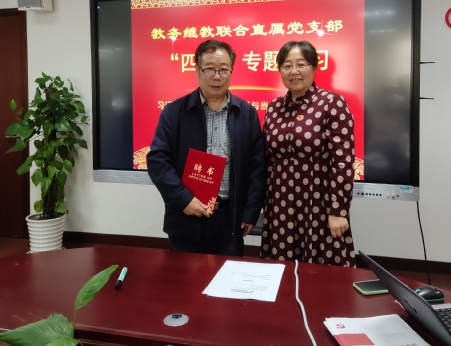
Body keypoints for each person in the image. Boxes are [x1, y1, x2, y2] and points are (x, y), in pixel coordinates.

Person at [147, 39, 265, 256]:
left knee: (228, 275)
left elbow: (257, 168)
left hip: (230, 218)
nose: (217, 76)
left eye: (224, 69)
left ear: (231, 71)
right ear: (197, 70)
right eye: (209, 69)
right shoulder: (174, 112)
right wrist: (183, 199)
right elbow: (157, 161)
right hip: (186, 215)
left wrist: (250, 212)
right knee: (184, 276)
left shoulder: (246, 114)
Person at [260, 40, 356, 267]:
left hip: (320, 204)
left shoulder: (332, 103)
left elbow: (343, 162)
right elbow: (268, 160)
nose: (294, 71)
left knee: (322, 272)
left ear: (314, 67)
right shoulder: (274, 108)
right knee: (281, 269)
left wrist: (338, 210)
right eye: (287, 65)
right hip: (280, 203)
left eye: (301, 64)